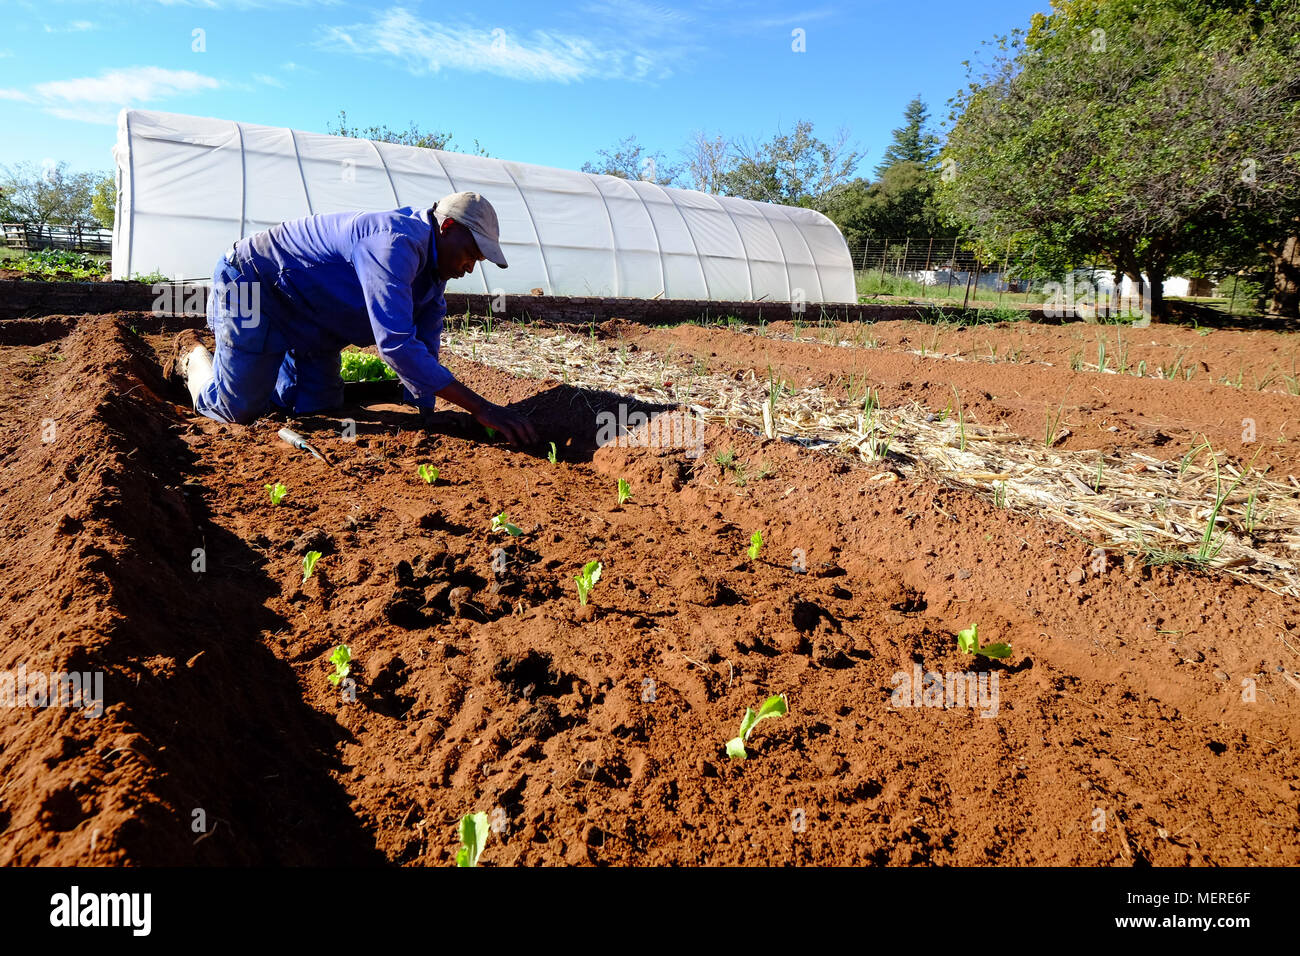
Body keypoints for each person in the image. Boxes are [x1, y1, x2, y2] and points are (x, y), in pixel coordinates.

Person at [173, 190, 537, 445]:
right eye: (471, 253)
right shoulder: (394, 243)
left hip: (312, 319)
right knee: (236, 410)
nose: (470, 267)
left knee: (316, 407)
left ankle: (258, 372)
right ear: (447, 229)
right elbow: (396, 345)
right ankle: (195, 359)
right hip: (254, 285)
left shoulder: (432, 277)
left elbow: (425, 343)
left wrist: (424, 411)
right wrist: (484, 408)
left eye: (479, 261)